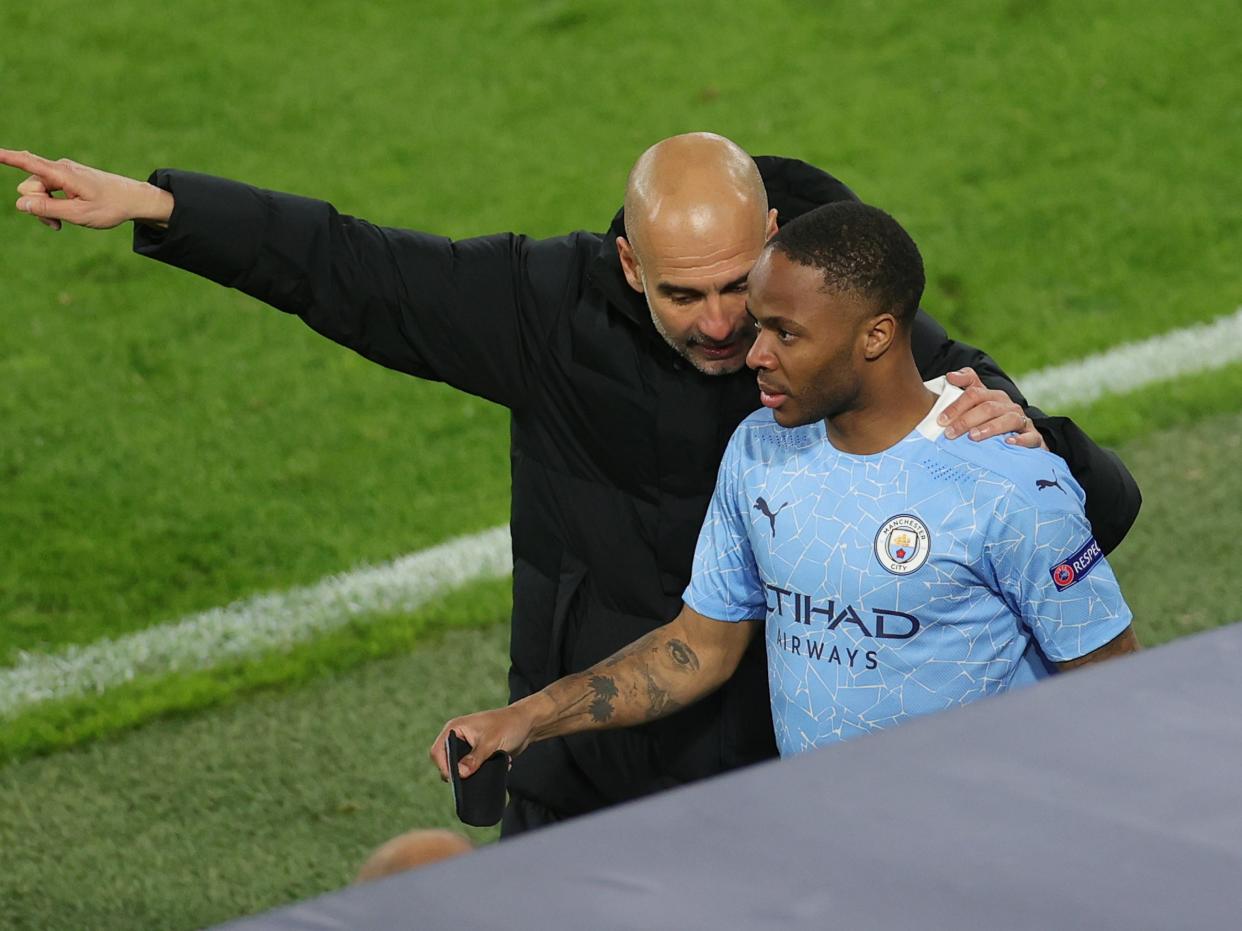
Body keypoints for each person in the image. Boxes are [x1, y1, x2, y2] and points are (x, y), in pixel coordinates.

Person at [0, 134, 1140, 834]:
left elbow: (1068, 499)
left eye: (740, 289)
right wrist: (164, 209)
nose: (724, 327)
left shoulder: (819, 322)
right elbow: (350, 267)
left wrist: (1019, 421)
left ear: (777, 238)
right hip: (579, 767)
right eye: (681, 295)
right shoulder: (542, 309)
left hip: (764, 770)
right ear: (628, 262)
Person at [430, 201, 1139, 779]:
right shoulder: (759, 451)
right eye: (759, 323)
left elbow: (1113, 688)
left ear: (876, 336)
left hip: (980, 843)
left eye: (785, 334)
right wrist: (529, 715)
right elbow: (697, 647)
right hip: (826, 844)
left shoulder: (1005, 476)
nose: (756, 353)